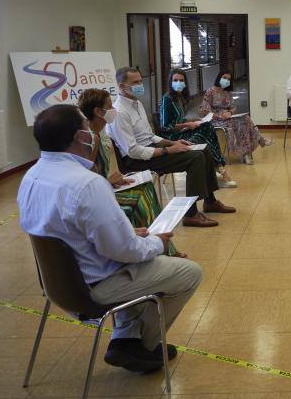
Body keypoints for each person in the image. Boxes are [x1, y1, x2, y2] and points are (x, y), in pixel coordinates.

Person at [18, 105, 202, 373]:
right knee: (188, 273)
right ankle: (144, 346)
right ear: (81, 137)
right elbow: (124, 251)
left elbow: (74, 236)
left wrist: (128, 236)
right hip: (94, 287)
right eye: (86, 126)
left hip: (58, 285)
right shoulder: (87, 184)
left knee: (138, 258)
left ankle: (124, 339)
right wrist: (157, 243)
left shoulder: (31, 177)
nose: (93, 132)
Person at [107, 67, 235, 228]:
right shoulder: (119, 112)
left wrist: (172, 143)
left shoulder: (137, 104)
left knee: (203, 149)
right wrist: (167, 150)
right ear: (121, 86)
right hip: (136, 160)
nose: (140, 84)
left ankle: (210, 201)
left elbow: (150, 136)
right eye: (135, 82)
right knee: (195, 158)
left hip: (151, 149)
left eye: (140, 81)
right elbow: (132, 151)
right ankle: (190, 214)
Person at [78, 88, 182, 257]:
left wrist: (114, 179)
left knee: (146, 187)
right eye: (110, 107)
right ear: (98, 112)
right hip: (96, 193)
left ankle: (159, 245)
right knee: (140, 198)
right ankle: (153, 247)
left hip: (103, 186)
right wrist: (108, 181)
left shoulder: (100, 132)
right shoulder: (91, 138)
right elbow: (85, 179)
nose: (114, 111)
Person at [160, 68, 236, 187]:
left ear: (185, 83)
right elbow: (165, 127)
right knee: (205, 133)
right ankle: (219, 168)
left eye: (181, 80)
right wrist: (187, 125)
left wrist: (193, 122)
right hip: (172, 137)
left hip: (182, 131)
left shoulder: (180, 98)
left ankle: (217, 168)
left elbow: (180, 119)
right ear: (170, 82)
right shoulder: (167, 99)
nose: (178, 83)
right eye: (175, 80)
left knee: (207, 126)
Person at [200, 68, 272, 165]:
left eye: (228, 79)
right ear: (219, 78)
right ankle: (257, 142)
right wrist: (218, 116)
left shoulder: (227, 93)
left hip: (228, 117)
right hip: (215, 119)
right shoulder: (210, 92)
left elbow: (234, 107)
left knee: (245, 119)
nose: (226, 80)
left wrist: (229, 112)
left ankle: (247, 152)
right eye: (224, 78)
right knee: (240, 123)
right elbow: (204, 110)